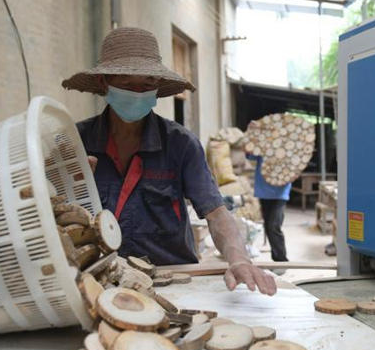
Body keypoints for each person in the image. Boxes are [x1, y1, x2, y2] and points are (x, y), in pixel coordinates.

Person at [62, 27, 276, 296]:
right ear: (104, 83)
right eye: (127, 84)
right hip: (98, 281)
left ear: (157, 89)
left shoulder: (181, 144)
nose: (137, 93)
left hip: (172, 281)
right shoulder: (75, 141)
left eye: (147, 84)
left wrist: (239, 259)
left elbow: (216, 213)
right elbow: (52, 215)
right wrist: (66, 186)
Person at [249, 154, 290, 262]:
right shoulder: (263, 145)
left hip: (280, 191)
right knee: (268, 226)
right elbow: (250, 155)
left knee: (273, 226)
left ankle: (281, 260)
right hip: (263, 190)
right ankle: (277, 258)